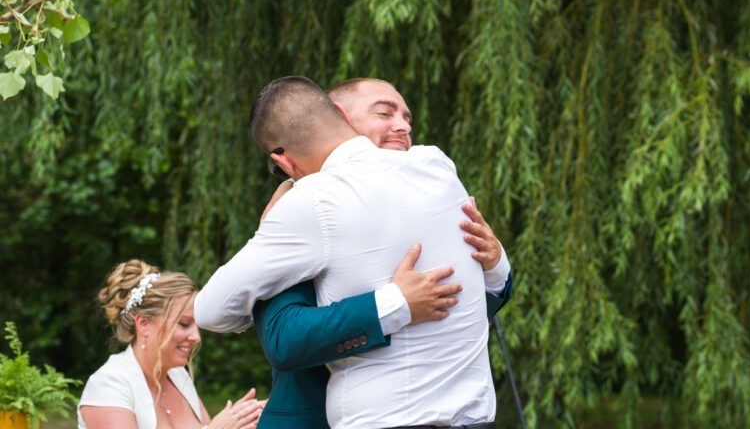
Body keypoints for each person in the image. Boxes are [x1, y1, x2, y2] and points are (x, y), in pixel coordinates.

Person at [196, 76, 498, 428]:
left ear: (283, 162)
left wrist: (267, 231)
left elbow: (209, 310)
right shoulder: (438, 167)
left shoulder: (312, 199)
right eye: (385, 113)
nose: (402, 127)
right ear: (341, 114)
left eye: (406, 118)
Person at [78, 259, 265, 429]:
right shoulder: (108, 385)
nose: (196, 337)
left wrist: (245, 419)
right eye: (184, 324)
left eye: (196, 325)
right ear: (143, 324)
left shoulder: (178, 376)